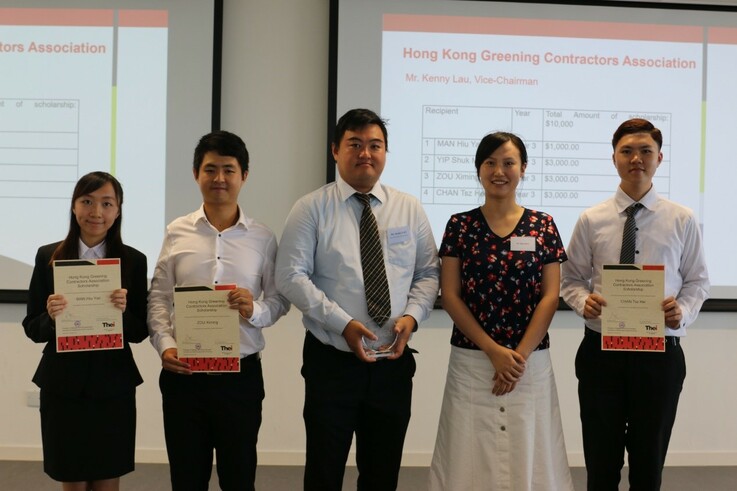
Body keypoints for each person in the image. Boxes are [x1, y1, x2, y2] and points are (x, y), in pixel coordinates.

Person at [275, 108, 440, 491]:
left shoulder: (409, 207)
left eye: (375, 145)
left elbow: (428, 274)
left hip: (392, 362)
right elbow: (290, 276)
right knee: (324, 471)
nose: (365, 153)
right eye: (354, 144)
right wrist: (343, 323)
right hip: (332, 363)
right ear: (335, 150)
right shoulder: (311, 208)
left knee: (382, 474)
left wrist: (412, 317)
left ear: (385, 152)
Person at [561, 118, 709, 490]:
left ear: (660, 158)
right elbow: (570, 280)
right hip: (601, 354)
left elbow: (697, 281)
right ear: (613, 158)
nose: (636, 159)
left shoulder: (682, 218)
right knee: (601, 461)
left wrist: (683, 311)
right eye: (627, 151)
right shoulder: (591, 219)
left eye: (645, 151)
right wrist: (584, 302)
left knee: (648, 463)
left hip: (659, 353)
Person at [427, 132, 574, 491]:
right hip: (473, 358)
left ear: (523, 168)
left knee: (532, 448)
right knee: (466, 453)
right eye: (490, 162)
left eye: (508, 162)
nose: (499, 170)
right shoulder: (459, 225)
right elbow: (450, 294)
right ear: (478, 169)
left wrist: (517, 358)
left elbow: (550, 297)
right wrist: (494, 352)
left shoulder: (543, 225)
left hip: (529, 363)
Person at [147, 130, 290, 491]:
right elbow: (159, 298)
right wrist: (165, 345)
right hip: (184, 377)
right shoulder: (177, 231)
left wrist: (253, 309)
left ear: (244, 175)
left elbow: (278, 301)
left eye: (229, 169)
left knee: (238, 477)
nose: (219, 179)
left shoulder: (263, 237)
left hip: (239, 379)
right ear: (196, 174)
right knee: (187, 477)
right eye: (210, 169)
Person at [22, 172, 148, 491]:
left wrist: (122, 313)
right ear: (74, 207)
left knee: (107, 480)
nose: (96, 212)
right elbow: (32, 327)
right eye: (87, 202)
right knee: (73, 481)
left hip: (113, 386)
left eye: (107, 203)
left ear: (118, 210)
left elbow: (139, 330)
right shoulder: (47, 256)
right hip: (63, 386)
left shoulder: (133, 260)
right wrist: (51, 318)